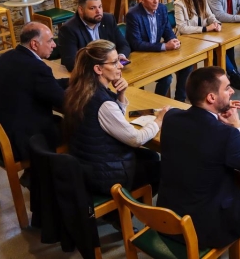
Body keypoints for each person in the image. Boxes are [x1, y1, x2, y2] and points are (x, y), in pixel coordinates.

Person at [158, 66, 240, 248]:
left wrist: (215, 116)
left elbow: (199, 135)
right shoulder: (226, 135)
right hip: (203, 229)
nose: (232, 91)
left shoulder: (171, 117)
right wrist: (237, 125)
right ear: (211, 98)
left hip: (166, 218)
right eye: (227, 88)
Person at [64, 39, 166, 195]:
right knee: (162, 169)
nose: (120, 66)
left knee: (151, 155)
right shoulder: (102, 102)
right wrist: (159, 121)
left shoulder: (80, 88)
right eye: (115, 62)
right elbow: (136, 140)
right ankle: (126, 212)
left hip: (85, 164)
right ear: (98, 69)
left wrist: (121, 95)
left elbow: (112, 119)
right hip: (104, 176)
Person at [0, 22, 68, 162]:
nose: (54, 45)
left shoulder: (7, 56)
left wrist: (72, 81)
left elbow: (44, 85)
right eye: (50, 40)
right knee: (74, 127)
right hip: (19, 143)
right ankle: (54, 174)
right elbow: (64, 101)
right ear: (34, 44)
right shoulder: (36, 67)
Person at [174, 0, 240, 91]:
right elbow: (182, 28)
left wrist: (216, 23)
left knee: (220, 46)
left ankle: (229, 77)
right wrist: (206, 28)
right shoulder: (179, 4)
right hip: (186, 40)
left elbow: (210, 16)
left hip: (201, 37)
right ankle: (233, 75)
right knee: (194, 62)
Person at [126, 0, 192, 99]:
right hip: (140, 57)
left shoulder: (161, 8)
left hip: (156, 54)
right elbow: (136, 44)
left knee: (187, 65)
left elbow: (167, 30)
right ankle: (156, 106)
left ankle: (180, 100)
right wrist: (164, 46)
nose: (156, 1)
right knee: (167, 78)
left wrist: (173, 39)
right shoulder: (133, 15)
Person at [58, 0, 131, 71]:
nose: (98, 11)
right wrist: (104, 65)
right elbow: (71, 63)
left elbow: (124, 45)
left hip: (111, 70)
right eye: (92, 8)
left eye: (100, 7)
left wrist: (120, 55)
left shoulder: (108, 19)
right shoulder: (68, 29)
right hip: (87, 75)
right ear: (81, 10)